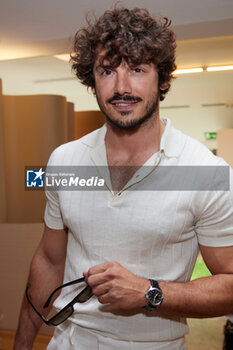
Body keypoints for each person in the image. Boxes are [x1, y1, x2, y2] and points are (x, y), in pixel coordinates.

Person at [14, 7, 233, 350]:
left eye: (137, 69)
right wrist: (22, 345)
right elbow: (48, 259)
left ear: (162, 80)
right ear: (92, 81)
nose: (121, 87)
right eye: (106, 71)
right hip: (69, 340)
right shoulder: (66, 161)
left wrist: (150, 292)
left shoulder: (206, 172)